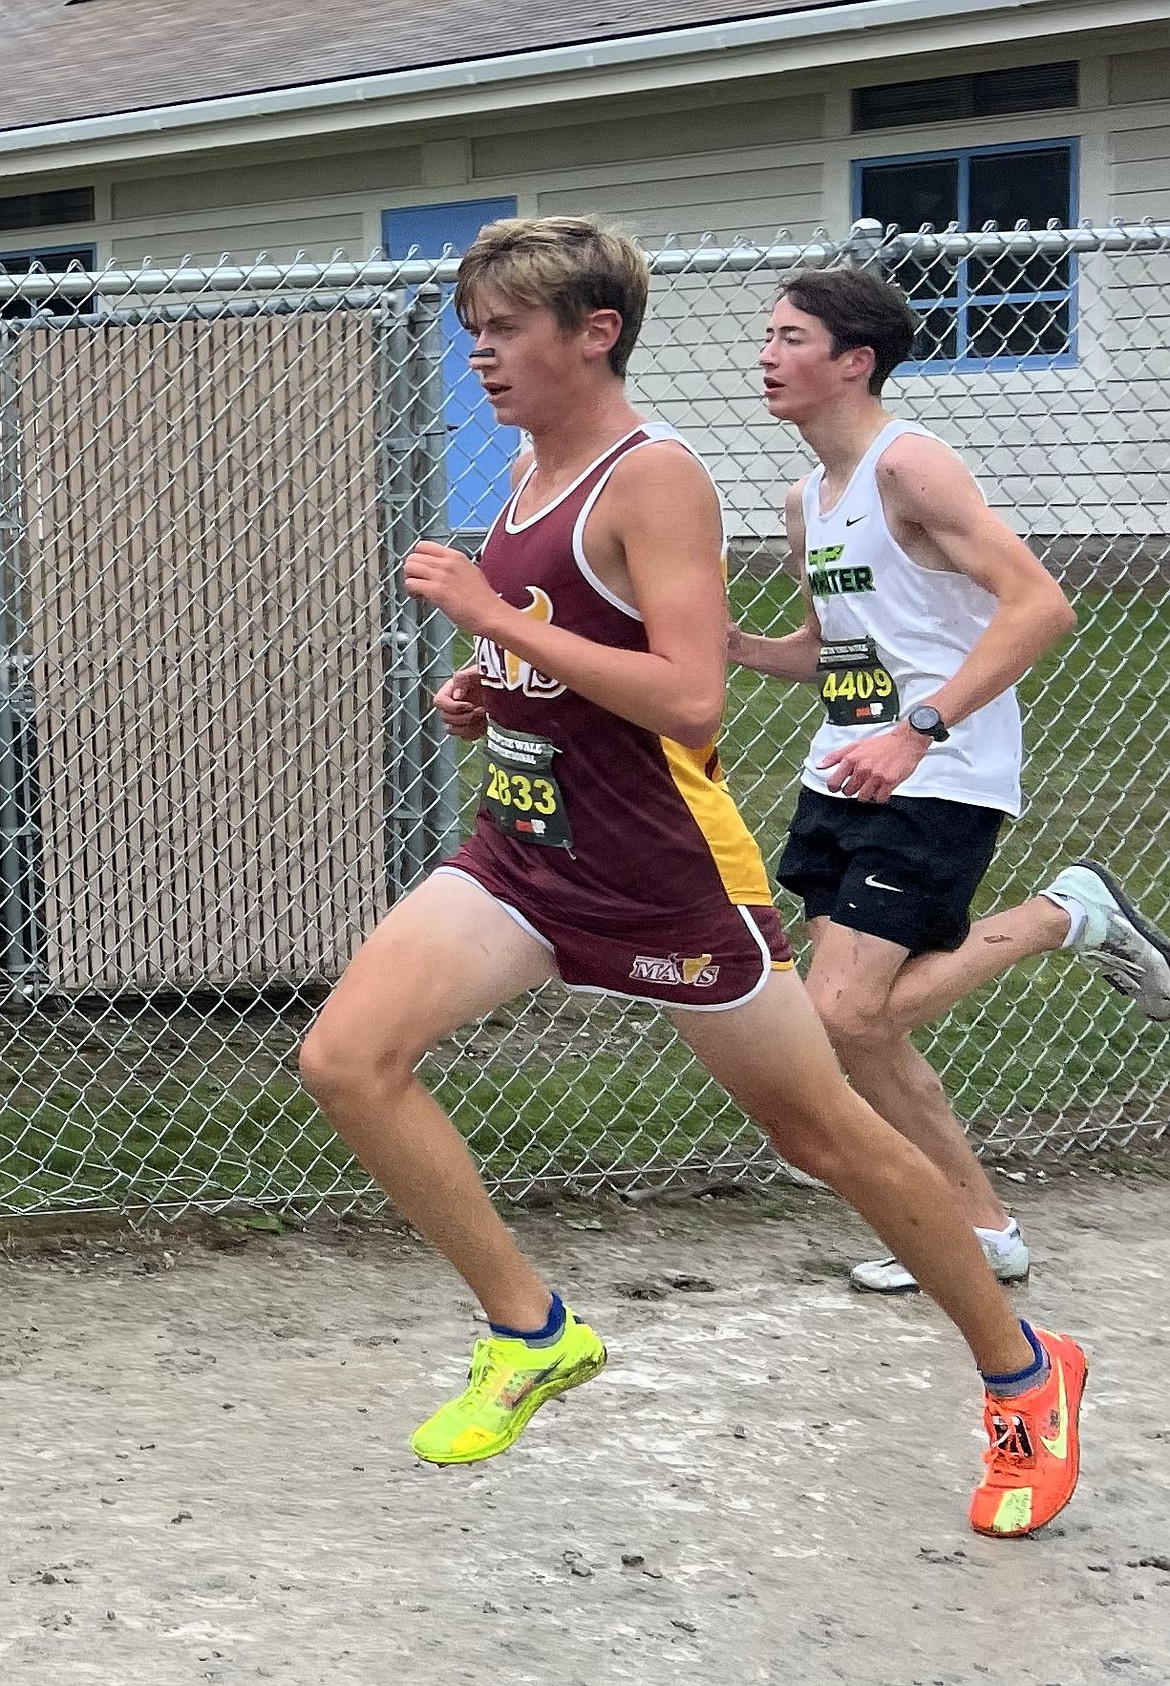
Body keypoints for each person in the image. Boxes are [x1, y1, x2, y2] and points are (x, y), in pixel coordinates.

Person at [299, 215, 1088, 1538]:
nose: (478, 352)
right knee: (346, 1059)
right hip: (523, 848)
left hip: (661, 866)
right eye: (471, 327)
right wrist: (492, 683)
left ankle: (1022, 1371)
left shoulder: (652, 475)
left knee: (819, 1131)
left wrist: (487, 615)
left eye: (504, 328)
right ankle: (528, 1327)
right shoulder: (526, 464)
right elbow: (572, 647)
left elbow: (686, 692)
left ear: (593, 332)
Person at [729, 264, 1170, 1295]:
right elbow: (831, 649)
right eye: (768, 336)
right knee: (856, 1028)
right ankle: (983, 1232)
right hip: (843, 774)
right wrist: (734, 646)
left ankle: (1065, 914)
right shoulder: (806, 498)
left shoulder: (908, 467)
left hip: (941, 773)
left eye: (791, 338)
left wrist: (919, 730)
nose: (766, 355)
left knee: (841, 1013)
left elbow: (1039, 606)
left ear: (854, 362)